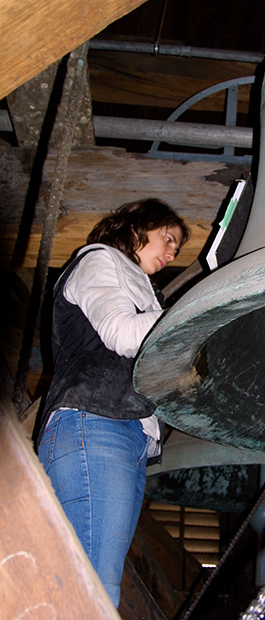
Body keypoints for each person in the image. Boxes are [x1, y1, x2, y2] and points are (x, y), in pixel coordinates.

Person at [37, 198, 190, 608]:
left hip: (123, 432)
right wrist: (191, 316)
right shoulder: (100, 260)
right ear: (138, 227)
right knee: (94, 591)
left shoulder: (141, 286)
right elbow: (122, 332)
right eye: (168, 238)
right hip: (96, 424)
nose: (173, 253)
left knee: (96, 586)